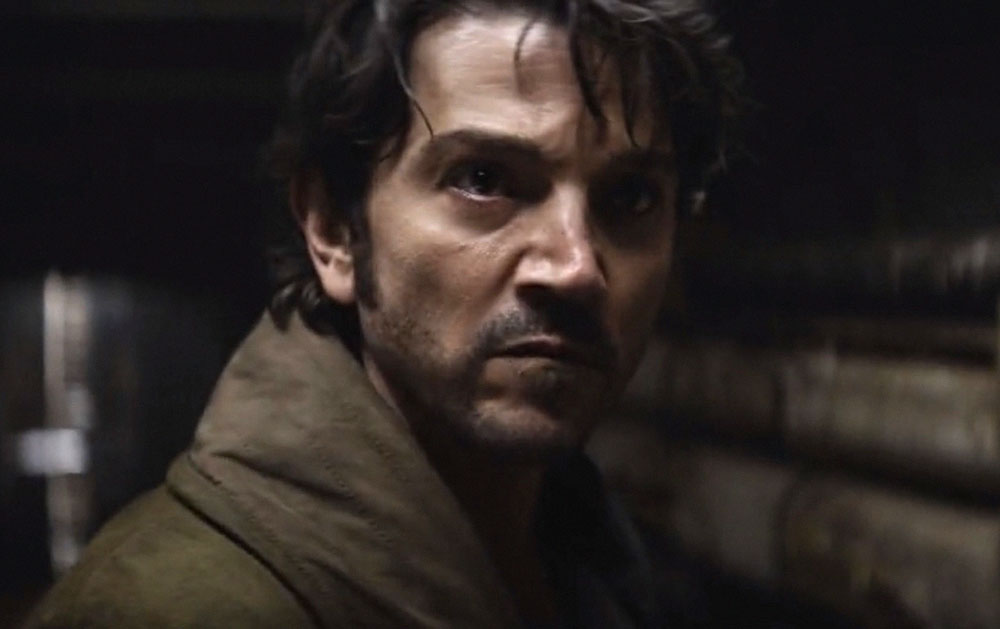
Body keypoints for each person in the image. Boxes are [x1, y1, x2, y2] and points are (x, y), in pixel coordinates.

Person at [26, 1, 739, 627]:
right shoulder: (164, 610)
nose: (576, 267)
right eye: (484, 179)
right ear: (335, 230)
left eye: (631, 197)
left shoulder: (597, 574)